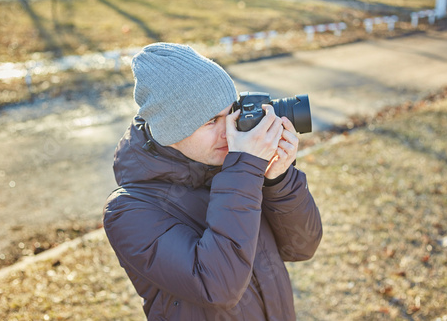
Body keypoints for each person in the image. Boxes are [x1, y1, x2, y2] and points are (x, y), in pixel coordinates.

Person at [103, 42, 322, 320]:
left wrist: (278, 179)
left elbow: (302, 247)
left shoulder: (234, 171)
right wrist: (244, 170)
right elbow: (219, 288)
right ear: (171, 130)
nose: (229, 131)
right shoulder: (128, 212)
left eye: (231, 112)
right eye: (211, 121)